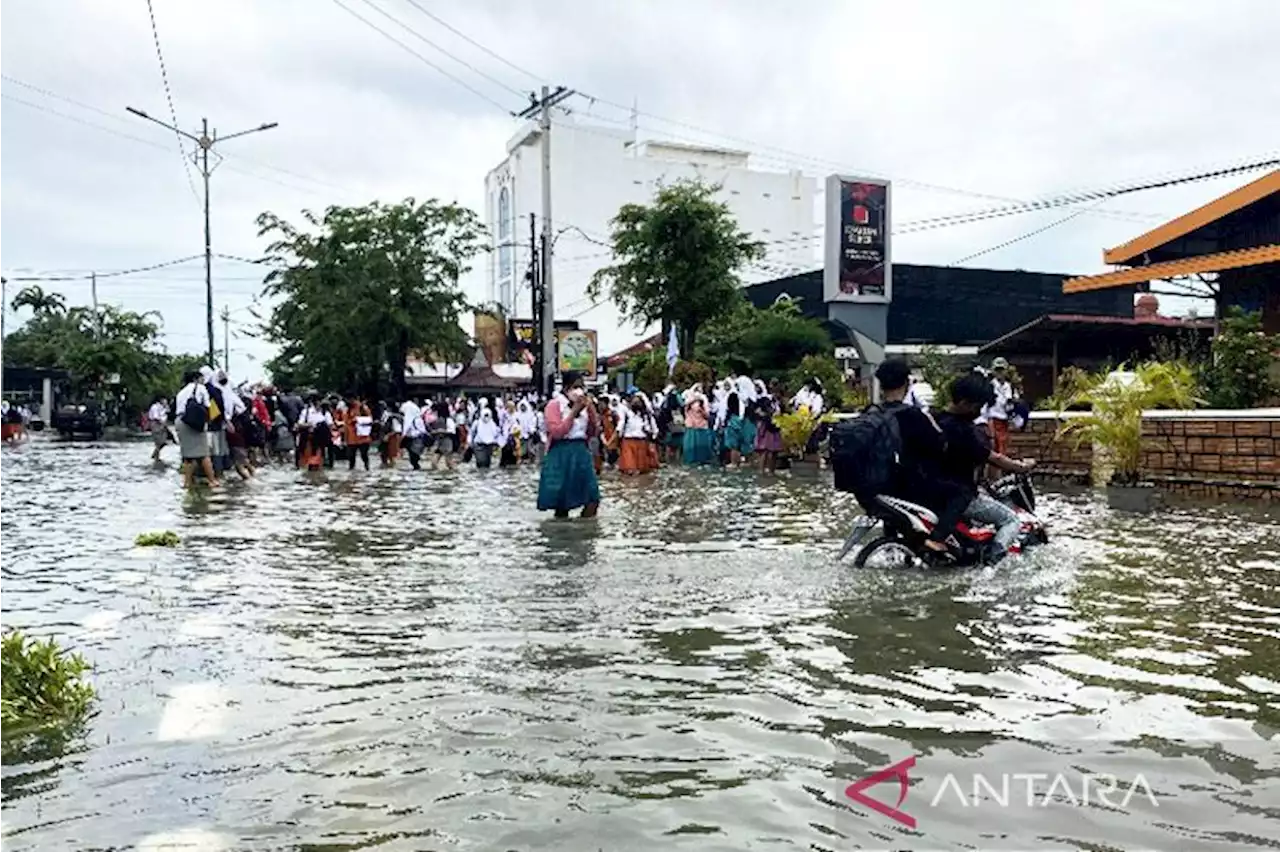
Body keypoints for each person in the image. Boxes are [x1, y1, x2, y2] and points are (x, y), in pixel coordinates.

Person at [935, 373, 1036, 562]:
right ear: (965, 403)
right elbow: (993, 457)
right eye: (978, 405)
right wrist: (1021, 467)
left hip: (933, 490)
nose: (979, 410)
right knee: (1011, 520)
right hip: (960, 495)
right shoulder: (964, 430)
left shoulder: (935, 420)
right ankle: (992, 561)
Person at [537, 371, 601, 518]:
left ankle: (584, 530)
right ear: (566, 388)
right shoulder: (554, 405)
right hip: (561, 453)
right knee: (562, 503)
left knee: (592, 498)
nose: (579, 391)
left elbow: (593, 432)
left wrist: (590, 411)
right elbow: (558, 432)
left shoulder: (585, 406)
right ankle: (564, 535)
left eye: (582, 387)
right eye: (576, 387)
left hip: (581, 452)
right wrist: (573, 412)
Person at [174, 370, 219, 490]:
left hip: (180, 421)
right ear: (196, 378)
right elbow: (208, 406)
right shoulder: (200, 388)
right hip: (193, 421)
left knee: (188, 455)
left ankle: (187, 482)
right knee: (204, 453)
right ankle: (212, 480)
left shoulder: (181, 392)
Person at [984, 357, 1016, 456]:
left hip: (1004, 420)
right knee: (994, 448)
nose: (999, 372)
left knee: (1003, 447)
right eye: (997, 370)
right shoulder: (989, 386)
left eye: (1001, 370)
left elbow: (1013, 403)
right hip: (993, 419)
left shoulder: (1010, 387)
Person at [344, 396, 373, 470]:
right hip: (351, 438)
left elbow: (370, 420)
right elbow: (346, 424)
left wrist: (358, 420)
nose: (349, 401)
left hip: (363, 437)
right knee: (351, 457)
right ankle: (351, 472)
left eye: (351, 399)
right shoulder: (347, 409)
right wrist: (345, 439)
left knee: (364, 455)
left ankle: (367, 469)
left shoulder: (363, 408)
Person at [147, 395, 171, 461]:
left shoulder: (163, 407)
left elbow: (168, 412)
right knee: (158, 442)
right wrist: (162, 423)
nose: (165, 401)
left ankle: (155, 454)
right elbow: (156, 417)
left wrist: (166, 407)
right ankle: (156, 457)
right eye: (164, 400)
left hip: (163, 425)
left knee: (164, 441)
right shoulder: (155, 407)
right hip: (156, 424)